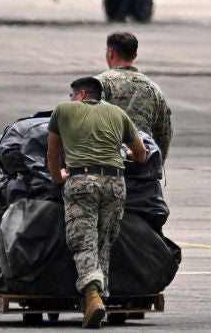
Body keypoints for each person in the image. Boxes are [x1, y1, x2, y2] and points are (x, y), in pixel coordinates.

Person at [48, 77, 146, 329]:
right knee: (103, 242)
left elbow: (53, 152)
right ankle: (100, 299)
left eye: (72, 95)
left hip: (82, 182)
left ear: (81, 94)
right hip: (115, 184)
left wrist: (57, 178)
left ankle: (92, 295)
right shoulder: (118, 113)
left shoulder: (63, 110)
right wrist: (127, 154)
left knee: (83, 241)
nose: (70, 99)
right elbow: (141, 154)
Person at [96, 31, 171, 162]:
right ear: (134, 55)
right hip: (140, 160)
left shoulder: (98, 84)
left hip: (106, 161)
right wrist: (156, 162)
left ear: (111, 52)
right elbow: (164, 134)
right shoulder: (152, 88)